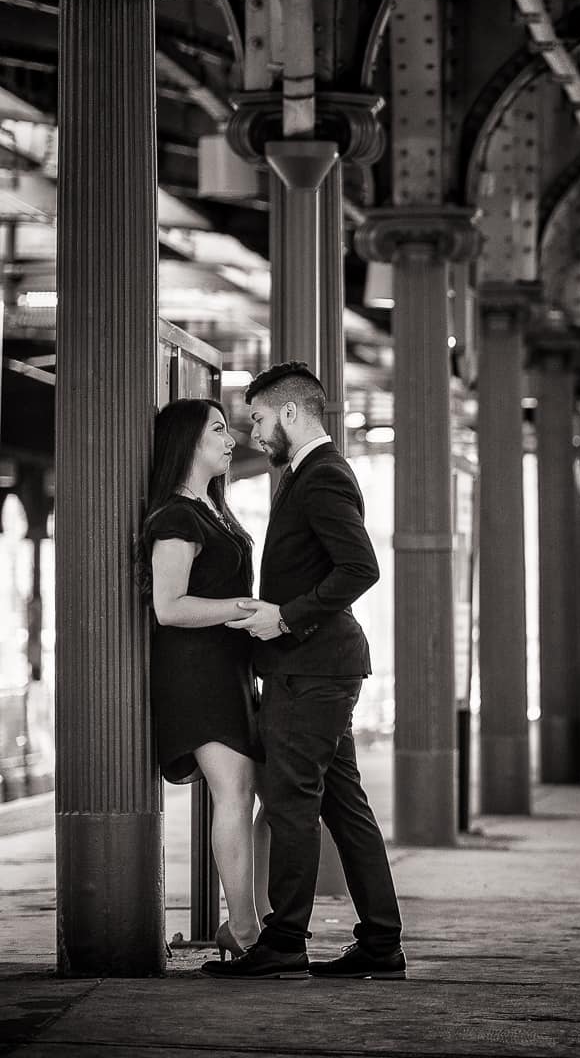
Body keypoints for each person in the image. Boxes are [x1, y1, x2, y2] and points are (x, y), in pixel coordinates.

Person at [204, 361, 405, 980]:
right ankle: (380, 943)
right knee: (344, 808)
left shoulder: (320, 476)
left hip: (311, 669)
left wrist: (286, 619)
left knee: (293, 804)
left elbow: (359, 568)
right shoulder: (310, 471)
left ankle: (285, 940)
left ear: (292, 413)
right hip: (319, 668)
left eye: (260, 419)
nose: (255, 433)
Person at [144, 398, 262, 960]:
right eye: (218, 429)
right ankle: (244, 934)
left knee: (248, 793)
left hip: (227, 670)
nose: (230, 438)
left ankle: (241, 924)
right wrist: (241, 607)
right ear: (188, 441)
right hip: (197, 675)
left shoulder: (211, 509)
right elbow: (168, 606)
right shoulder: (176, 516)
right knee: (235, 794)